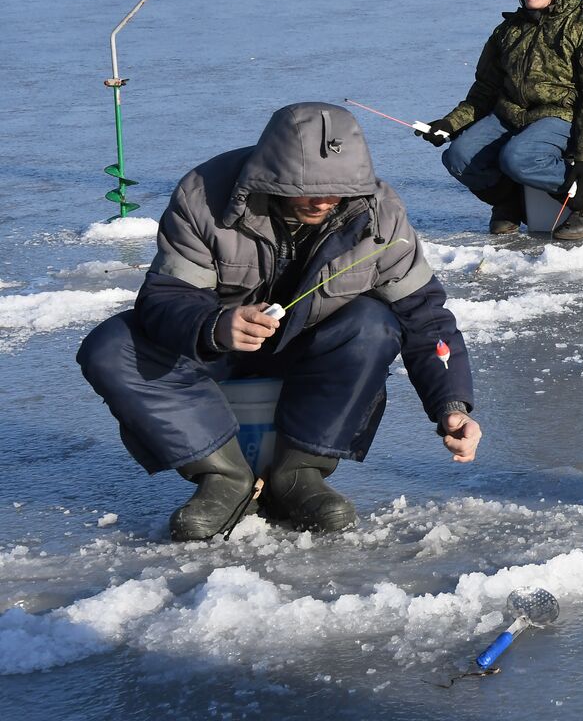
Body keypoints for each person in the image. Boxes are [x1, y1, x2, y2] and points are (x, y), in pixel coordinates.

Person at [77, 103, 480, 541]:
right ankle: (223, 476)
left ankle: (300, 472)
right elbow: (165, 298)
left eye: (340, 190)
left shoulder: (381, 217)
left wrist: (452, 407)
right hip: (213, 353)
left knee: (373, 323)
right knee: (111, 346)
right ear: (269, 175)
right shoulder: (203, 196)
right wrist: (216, 325)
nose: (325, 200)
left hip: (313, 355)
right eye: (307, 189)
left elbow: (426, 319)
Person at [420, 0, 583, 241]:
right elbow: (486, 88)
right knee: (459, 158)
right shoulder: (510, 30)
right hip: (510, 112)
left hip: (562, 114)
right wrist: (451, 124)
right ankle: (509, 203)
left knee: (518, 158)